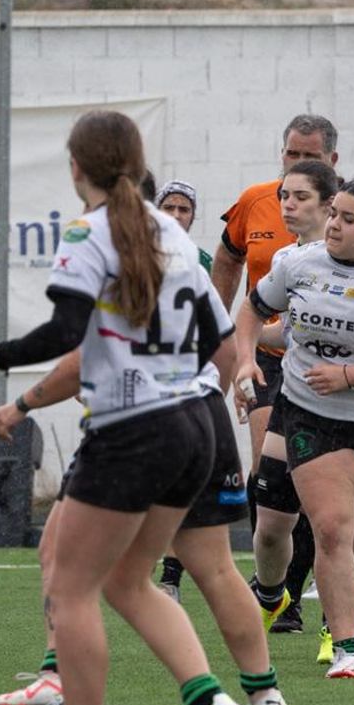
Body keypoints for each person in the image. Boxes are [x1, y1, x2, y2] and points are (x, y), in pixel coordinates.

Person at [0, 110, 245, 705]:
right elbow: (218, 340)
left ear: (75, 167)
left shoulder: (88, 232)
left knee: (71, 588)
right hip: (194, 424)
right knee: (126, 580)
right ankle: (211, 703)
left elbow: (67, 328)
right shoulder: (171, 232)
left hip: (131, 431)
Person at [0, 348, 287, 705]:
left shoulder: (116, 307)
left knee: (98, 571)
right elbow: (224, 347)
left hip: (135, 419)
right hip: (201, 412)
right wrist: (201, 392)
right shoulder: (190, 306)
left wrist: (18, 401)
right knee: (211, 567)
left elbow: (80, 358)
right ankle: (263, 694)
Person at [234, 180, 354, 679]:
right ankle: (348, 650)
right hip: (310, 413)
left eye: (348, 219)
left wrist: (350, 376)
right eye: (334, 215)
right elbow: (253, 309)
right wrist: (244, 360)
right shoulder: (298, 263)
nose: (333, 225)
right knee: (330, 529)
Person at [213, 114, 339, 635]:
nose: (297, 165)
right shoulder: (256, 202)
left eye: (309, 157)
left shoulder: (352, 214)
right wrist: (227, 341)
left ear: (332, 162)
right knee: (271, 476)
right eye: (291, 154)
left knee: (323, 496)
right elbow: (228, 262)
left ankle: (297, 595)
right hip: (268, 352)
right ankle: (274, 589)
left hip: (330, 364)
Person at [241, 160, 338, 661]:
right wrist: (240, 353)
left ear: (329, 204)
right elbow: (279, 327)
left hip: (352, 410)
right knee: (271, 523)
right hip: (295, 400)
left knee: (333, 525)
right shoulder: (287, 259)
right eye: (284, 196)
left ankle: (338, 628)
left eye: (300, 196)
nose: (288, 205)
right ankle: (271, 595)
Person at [148, 177, 210, 601]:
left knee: (180, 482)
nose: (175, 215)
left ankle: (170, 577)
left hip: (186, 383)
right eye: (168, 207)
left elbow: (215, 324)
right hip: (141, 382)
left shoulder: (202, 260)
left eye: (183, 209)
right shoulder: (136, 255)